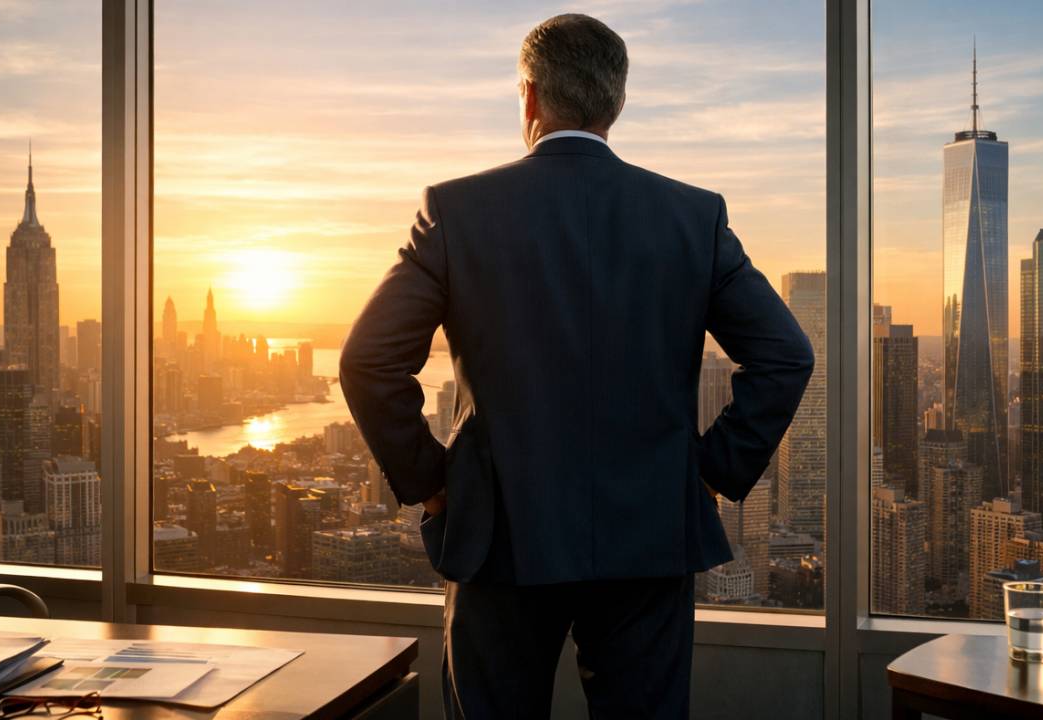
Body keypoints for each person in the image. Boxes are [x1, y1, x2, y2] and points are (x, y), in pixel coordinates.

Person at [340, 13, 814, 719]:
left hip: (499, 536)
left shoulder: (457, 210)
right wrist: (707, 471)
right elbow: (786, 355)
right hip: (649, 537)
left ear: (529, 96)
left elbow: (368, 360)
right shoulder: (694, 215)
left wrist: (434, 484)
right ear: (615, 103)